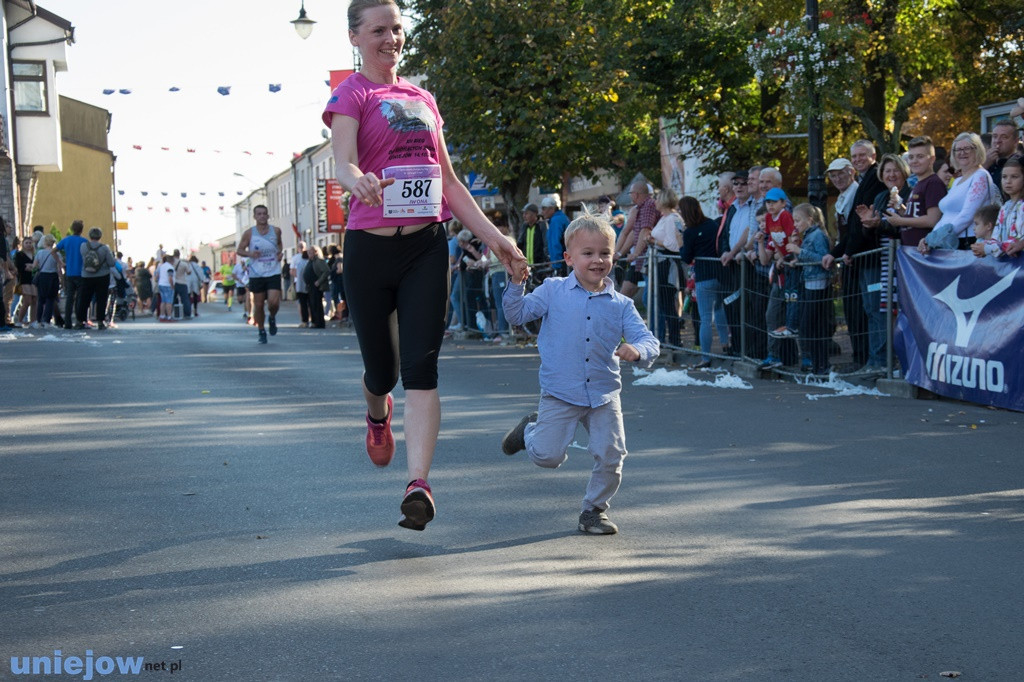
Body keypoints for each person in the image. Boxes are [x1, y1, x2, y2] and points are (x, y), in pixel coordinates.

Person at [324, 0, 527, 531]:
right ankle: (376, 414)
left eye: (396, 28)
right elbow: (343, 160)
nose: (390, 38)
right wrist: (357, 181)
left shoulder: (422, 98)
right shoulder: (352, 94)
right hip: (369, 248)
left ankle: (419, 484)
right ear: (355, 37)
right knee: (383, 372)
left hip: (424, 247)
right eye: (378, 30)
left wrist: (496, 238)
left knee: (421, 368)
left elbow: (451, 185)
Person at [500, 214, 659, 535]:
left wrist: (638, 351)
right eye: (588, 253)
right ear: (569, 258)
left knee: (611, 454)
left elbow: (648, 340)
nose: (597, 260)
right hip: (561, 392)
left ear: (614, 256)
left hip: (603, 395)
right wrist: (516, 283)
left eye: (604, 253)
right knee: (547, 456)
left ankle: (594, 510)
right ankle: (529, 430)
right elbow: (516, 313)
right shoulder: (552, 290)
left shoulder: (622, 305)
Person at [923, 132, 1001, 251]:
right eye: (957, 149)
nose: (962, 153)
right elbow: (946, 216)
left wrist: (936, 238)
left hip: (968, 242)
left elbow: (967, 215)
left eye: (967, 148)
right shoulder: (957, 181)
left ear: (977, 150)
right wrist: (929, 239)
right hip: (948, 241)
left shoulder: (980, 176)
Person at [680, 195, 729, 368]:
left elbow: (686, 257)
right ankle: (726, 344)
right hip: (721, 273)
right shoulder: (712, 224)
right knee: (720, 308)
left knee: (705, 318)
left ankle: (706, 357)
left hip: (704, 276)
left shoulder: (690, 232)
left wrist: (681, 245)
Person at [787, 204, 832, 375]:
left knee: (811, 325)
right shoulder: (807, 236)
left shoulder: (818, 235)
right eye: (794, 221)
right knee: (809, 326)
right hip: (808, 281)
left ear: (810, 220)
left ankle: (821, 365)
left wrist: (799, 251)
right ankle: (817, 364)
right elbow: (808, 256)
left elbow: (822, 259)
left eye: (798, 220)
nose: (795, 224)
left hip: (818, 283)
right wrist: (797, 258)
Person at [236, 205, 284, 344]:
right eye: (259, 214)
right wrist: (250, 254)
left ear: (268, 216)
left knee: (273, 303)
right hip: (256, 273)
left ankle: (272, 317)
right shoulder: (249, 233)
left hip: (273, 271)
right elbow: (239, 250)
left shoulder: (276, 231)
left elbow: (280, 245)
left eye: (264, 214)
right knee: (258, 305)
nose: (262, 216)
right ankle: (261, 330)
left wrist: (280, 253)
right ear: (255, 217)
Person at [886, 135, 945, 247]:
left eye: (920, 156)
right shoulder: (919, 183)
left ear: (932, 159)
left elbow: (932, 220)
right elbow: (916, 215)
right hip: (912, 252)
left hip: (925, 253)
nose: (914, 161)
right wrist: (900, 208)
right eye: (911, 157)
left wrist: (900, 221)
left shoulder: (933, 183)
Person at [648, 189, 685, 346]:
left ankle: (674, 340)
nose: (655, 201)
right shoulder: (665, 218)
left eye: (657, 198)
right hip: (661, 263)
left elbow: (674, 244)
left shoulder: (672, 219)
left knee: (669, 303)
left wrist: (653, 241)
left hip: (668, 264)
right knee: (664, 302)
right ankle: (668, 338)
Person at [614, 181, 659, 299]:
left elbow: (645, 230)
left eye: (630, 193)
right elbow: (633, 233)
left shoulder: (648, 206)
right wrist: (618, 253)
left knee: (652, 298)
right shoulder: (638, 208)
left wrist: (635, 253)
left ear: (636, 194)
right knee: (628, 295)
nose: (630, 196)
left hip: (647, 258)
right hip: (640, 260)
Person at [975, 157, 1024, 258]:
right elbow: (996, 238)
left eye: (1014, 177)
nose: (1008, 181)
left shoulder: (1022, 206)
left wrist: (988, 248)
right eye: (1004, 177)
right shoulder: (1005, 207)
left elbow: (1016, 240)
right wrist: (983, 246)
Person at [77, 227, 117, 330]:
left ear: (90, 236)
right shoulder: (104, 248)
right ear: (100, 236)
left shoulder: (83, 246)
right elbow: (111, 263)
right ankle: (100, 321)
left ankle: (80, 321)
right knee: (101, 299)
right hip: (102, 276)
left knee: (84, 299)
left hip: (86, 275)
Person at [55, 220, 88, 329]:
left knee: (70, 298)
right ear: (81, 230)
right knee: (80, 298)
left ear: (72, 229)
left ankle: (67, 322)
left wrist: (60, 262)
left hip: (69, 272)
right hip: (81, 273)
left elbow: (53, 251)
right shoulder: (84, 241)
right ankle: (79, 320)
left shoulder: (66, 240)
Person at [987, 119, 1020, 200]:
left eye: (1004, 137)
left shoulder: (1019, 165)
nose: (997, 141)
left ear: (1015, 142)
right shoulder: (987, 163)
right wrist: (984, 165)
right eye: (995, 136)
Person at [32, 235, 62, 327]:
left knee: (41, 299)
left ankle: (38, 320)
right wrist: (61, 279)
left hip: (42, 276)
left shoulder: (40, 253)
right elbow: (59, 268)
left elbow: (35, 266)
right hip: (53, 276)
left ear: (44, 242)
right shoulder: (57, 254)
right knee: (50, 299)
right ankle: (47, 320)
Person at [540, 195, 569, 276]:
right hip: (566, 260)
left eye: (544, 208)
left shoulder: (556, 221)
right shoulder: (561, 218)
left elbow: (555, 244)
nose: (542, 212)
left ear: (551, 208)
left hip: (562, 262)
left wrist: (556, 265)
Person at [304, 244, 329, 329]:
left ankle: (319, 323)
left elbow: (326, 271)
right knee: (312, 304)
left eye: (310, 252)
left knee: (317, 304)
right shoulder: (310, 261)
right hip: (310, 286)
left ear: (315, 252)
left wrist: (319, 281)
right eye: (308, 252)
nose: (309, 254)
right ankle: (314, 321)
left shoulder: (319, 261)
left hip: (316, 286)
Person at [14, 237, 38, 327]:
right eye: (26, 243)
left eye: (30, 243)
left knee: (35, 300)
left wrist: (31, 266)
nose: (28, 244)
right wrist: (29, 267)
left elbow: (36, 266)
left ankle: (33, 321)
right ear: (23, 244)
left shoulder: (34, 254)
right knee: (27, 301)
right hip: (24, 279)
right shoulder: (19, 255)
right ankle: (19, 320)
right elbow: (20, 267)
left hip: (34, 279)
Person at [517, 203, 548, 272]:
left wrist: (546, 258)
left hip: (540, 265)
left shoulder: (541, 226)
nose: (524, 216)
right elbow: (520, 243)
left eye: (526, 213)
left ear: (534, 214)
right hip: (526, 266)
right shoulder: (524, 227)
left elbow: (546, 243)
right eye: (523, 214)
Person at [290, 240, 309, 328]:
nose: (301, 248)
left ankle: (307, 319)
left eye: (303, 246)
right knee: (302, 302)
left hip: (305, 282)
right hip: (299, 282)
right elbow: (292, 271)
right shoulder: (295, 258)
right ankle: (304, 319)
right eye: (300, 246)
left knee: (306, 302)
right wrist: (300, 277)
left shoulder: (308, 256)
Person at [172, 250, 193, 319]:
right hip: (182, 282)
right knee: (185, 299)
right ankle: (187, 314)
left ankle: (171, 313)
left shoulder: (171, 263)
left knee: (172, 299)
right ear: (179, 255)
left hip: (173, 283)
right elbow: (188, 272)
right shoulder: (183, 263)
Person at [156, 255, 176, 322]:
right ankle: (169, 317)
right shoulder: (170, 267)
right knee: (169, 302)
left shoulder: (161, 266)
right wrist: (172, 285)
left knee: (163, 301)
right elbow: (170, 277)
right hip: (167, 285)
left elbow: (157, 275)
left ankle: (162, 315)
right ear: (171, 260)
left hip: (161, 284)